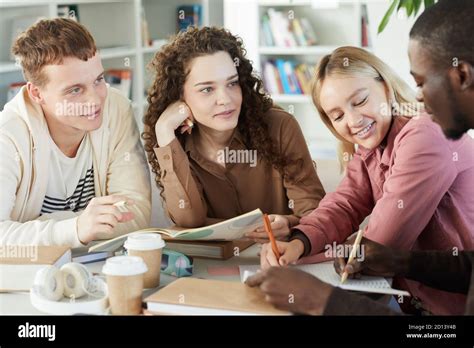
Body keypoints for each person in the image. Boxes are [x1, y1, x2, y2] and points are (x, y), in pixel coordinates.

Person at [248, 0, 474, 316]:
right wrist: (297, 243)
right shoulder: (371, 146)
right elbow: (344, 204)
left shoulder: (425, 132)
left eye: (360, 100)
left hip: (451, 311)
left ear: (385, 86)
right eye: (337, 114)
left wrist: (298, 265)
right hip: (409, 302)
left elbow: (381, 240)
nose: (352, 121)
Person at [142, 27, 325, 242]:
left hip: (279, 262)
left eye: (232, 83)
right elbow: (189, 221)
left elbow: (314, 212)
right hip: (211, 270)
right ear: (179, 96)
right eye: (207, 89)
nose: (226, 99)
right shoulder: (175, 141)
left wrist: (290, 224)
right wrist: (164, 131)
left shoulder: (279, 126)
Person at [0, 18, 151, 247]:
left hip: (98, 267)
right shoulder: (8, 136)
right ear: (37, 94)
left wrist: (34, 228)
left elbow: (136, 213)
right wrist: (78, 227)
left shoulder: (116, 108)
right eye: (75, 90)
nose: (95, 99)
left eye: (99, 80)